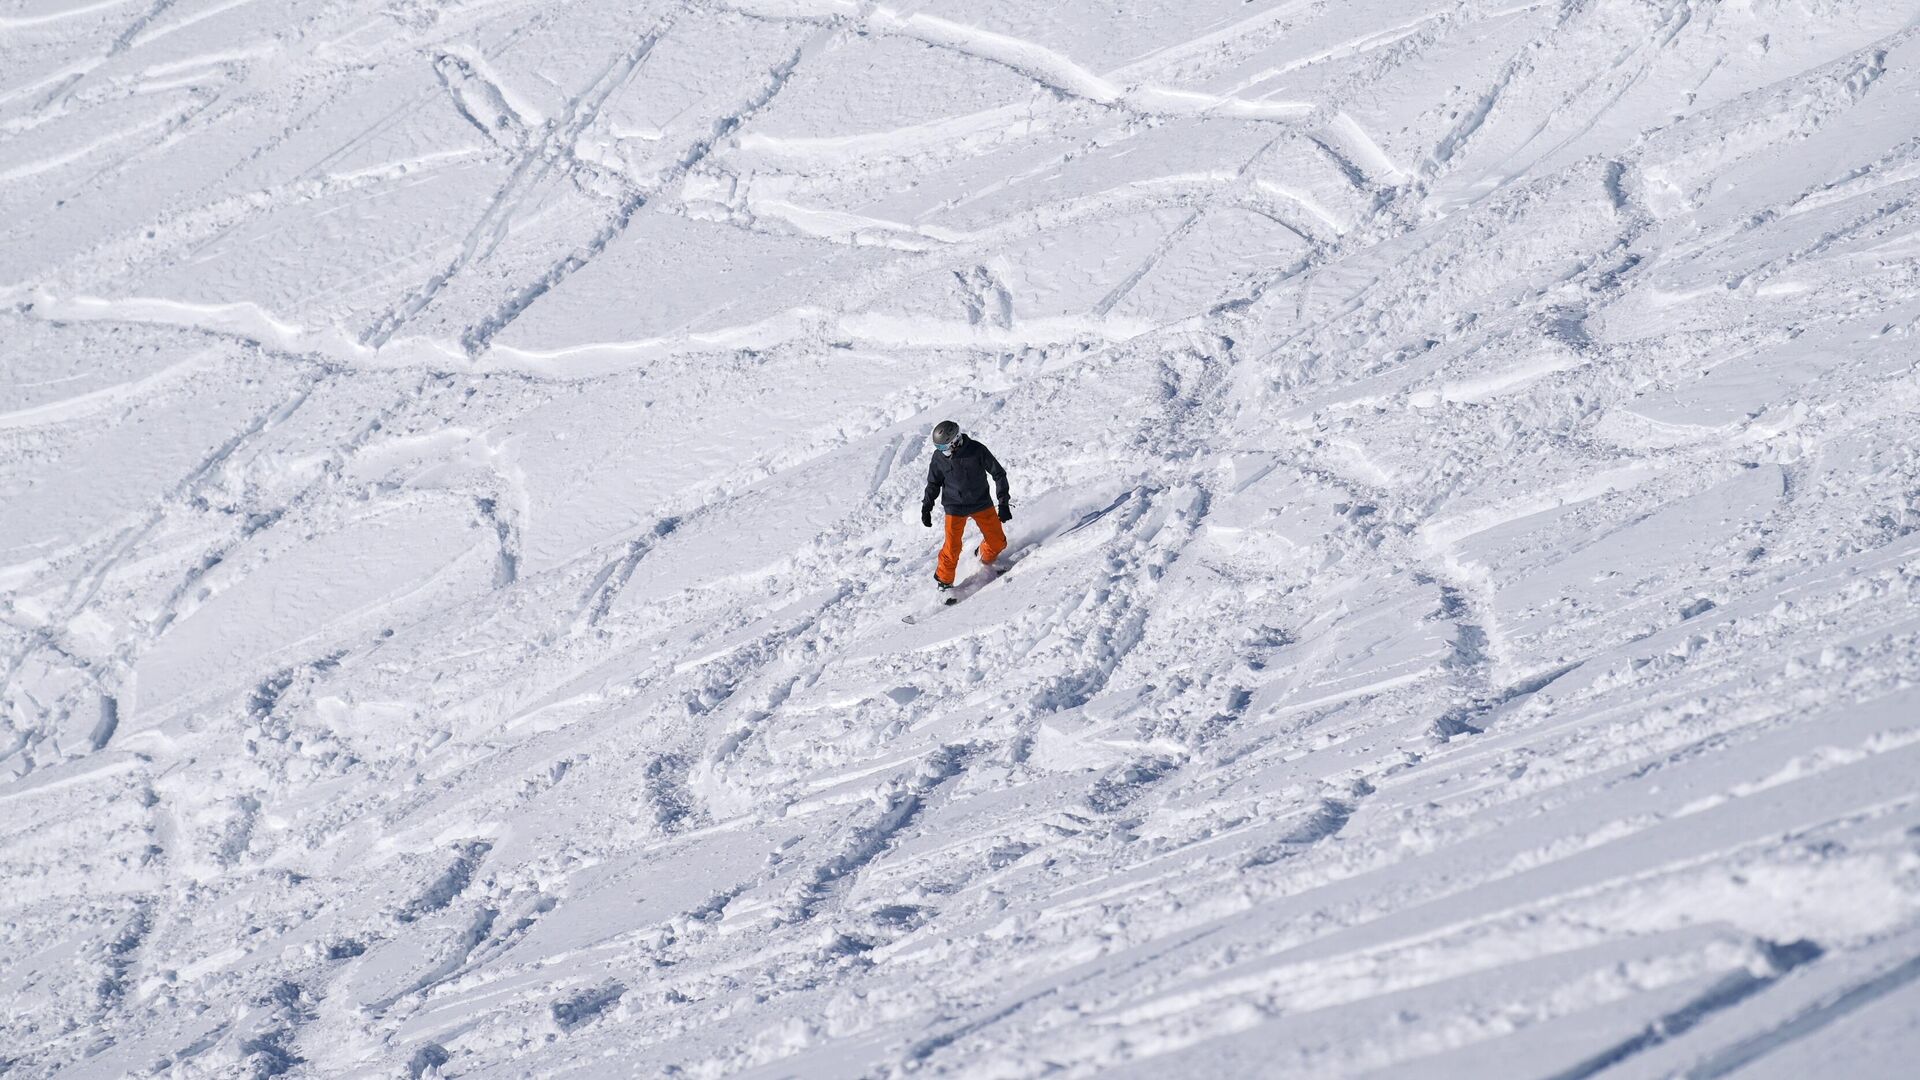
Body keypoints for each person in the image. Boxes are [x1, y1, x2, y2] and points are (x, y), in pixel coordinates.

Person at [920, 419, 1011, 592]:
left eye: (944, 447)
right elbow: (933, 484)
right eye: (938, 448)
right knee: (952, 547)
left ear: (955, 440)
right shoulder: (939, 458)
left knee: (998, 542)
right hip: (954, 506)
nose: (941, 452)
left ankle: (983, 557)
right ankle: (944, 583)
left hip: (981, 502)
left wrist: (1003, 503)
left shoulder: (977, 450)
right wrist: (926, 507)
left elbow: (999, 474)